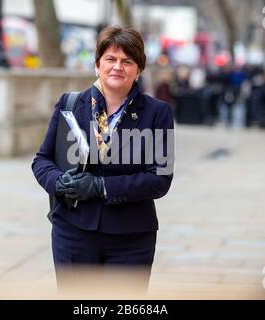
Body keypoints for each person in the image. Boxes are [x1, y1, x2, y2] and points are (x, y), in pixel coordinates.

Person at [32, 26, 174, 295]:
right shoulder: (69, 104)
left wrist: (101, 187)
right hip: (72, 231)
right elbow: (42, 161)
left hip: (131, 238)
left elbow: (161, 179)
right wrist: (59, 182)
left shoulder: (158, 113)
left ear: (138, 69)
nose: (117, 67)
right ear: (98, 64)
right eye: (110, 59)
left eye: (127, 61)